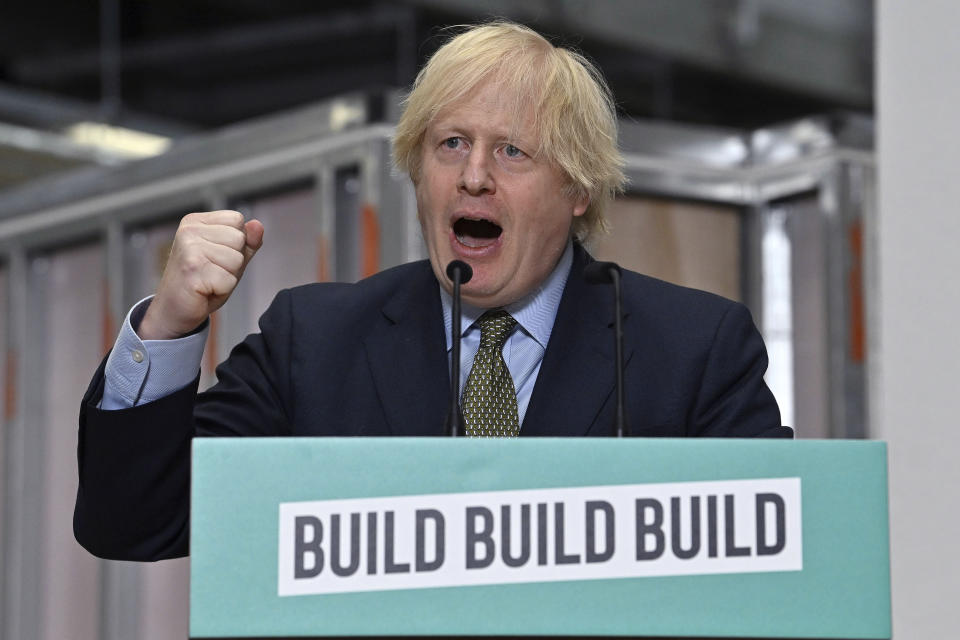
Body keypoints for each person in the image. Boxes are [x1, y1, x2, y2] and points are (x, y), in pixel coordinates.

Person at [74, 22, 789, 561]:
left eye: (512, 151)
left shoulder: (693, 349)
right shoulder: (314, 340)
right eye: (450, 145)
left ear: (577, 187)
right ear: (418, 173)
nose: (474, 176)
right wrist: (168, 324)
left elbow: (773, 562)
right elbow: (135, 521)